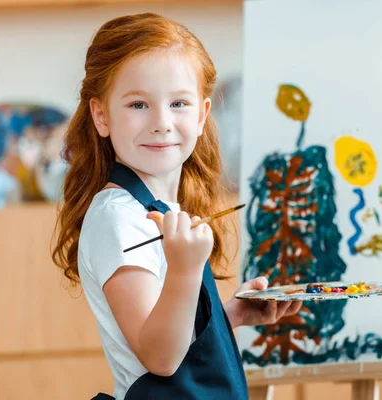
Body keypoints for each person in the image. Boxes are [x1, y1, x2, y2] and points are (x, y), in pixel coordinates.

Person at [51, 13, 302, 400]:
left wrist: (224, 317)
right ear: (101, 116)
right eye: (138, 104)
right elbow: (160, 357)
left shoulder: (159, 206)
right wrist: (185, 271)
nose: (162, 122)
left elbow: (169, 328)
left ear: (202, 115)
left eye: (179, 103)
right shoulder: (118, 216)